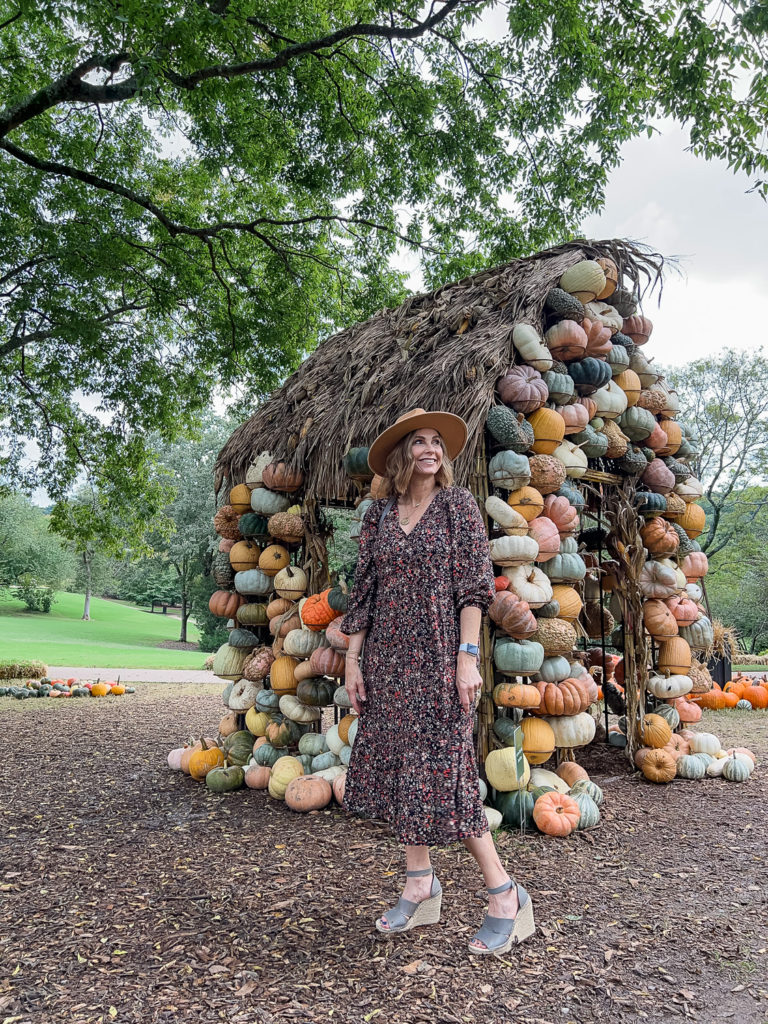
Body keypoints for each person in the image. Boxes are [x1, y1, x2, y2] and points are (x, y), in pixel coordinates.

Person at [339, 408, 535, 955]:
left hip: (439, 659)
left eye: (436, 442)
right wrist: (354, 658)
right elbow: (366, 591)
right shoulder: (378, 515)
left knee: (444, 773)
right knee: (403, 768)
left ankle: (506, 895)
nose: (431, 448)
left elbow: (474, 588)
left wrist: (467, 656)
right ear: (401, 455)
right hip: (385, 660)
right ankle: (420, 885)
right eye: (419, 442)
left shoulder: (458, 506)